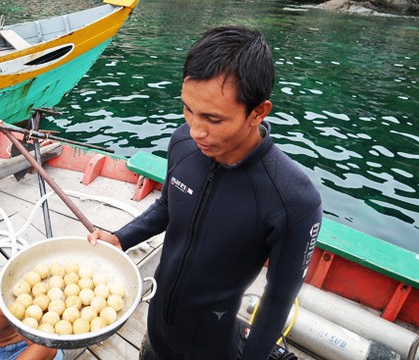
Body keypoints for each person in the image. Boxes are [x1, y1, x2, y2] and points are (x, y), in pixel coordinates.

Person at [88, 26, 323, 360]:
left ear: (258, 112)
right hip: (156, 331)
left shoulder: (293, 199)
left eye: (213, 118)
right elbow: (168, 206)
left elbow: (278, 301)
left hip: (209, 348)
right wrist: (119, 238)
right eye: (188, 109)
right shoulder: (182, 143)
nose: (196, 130)